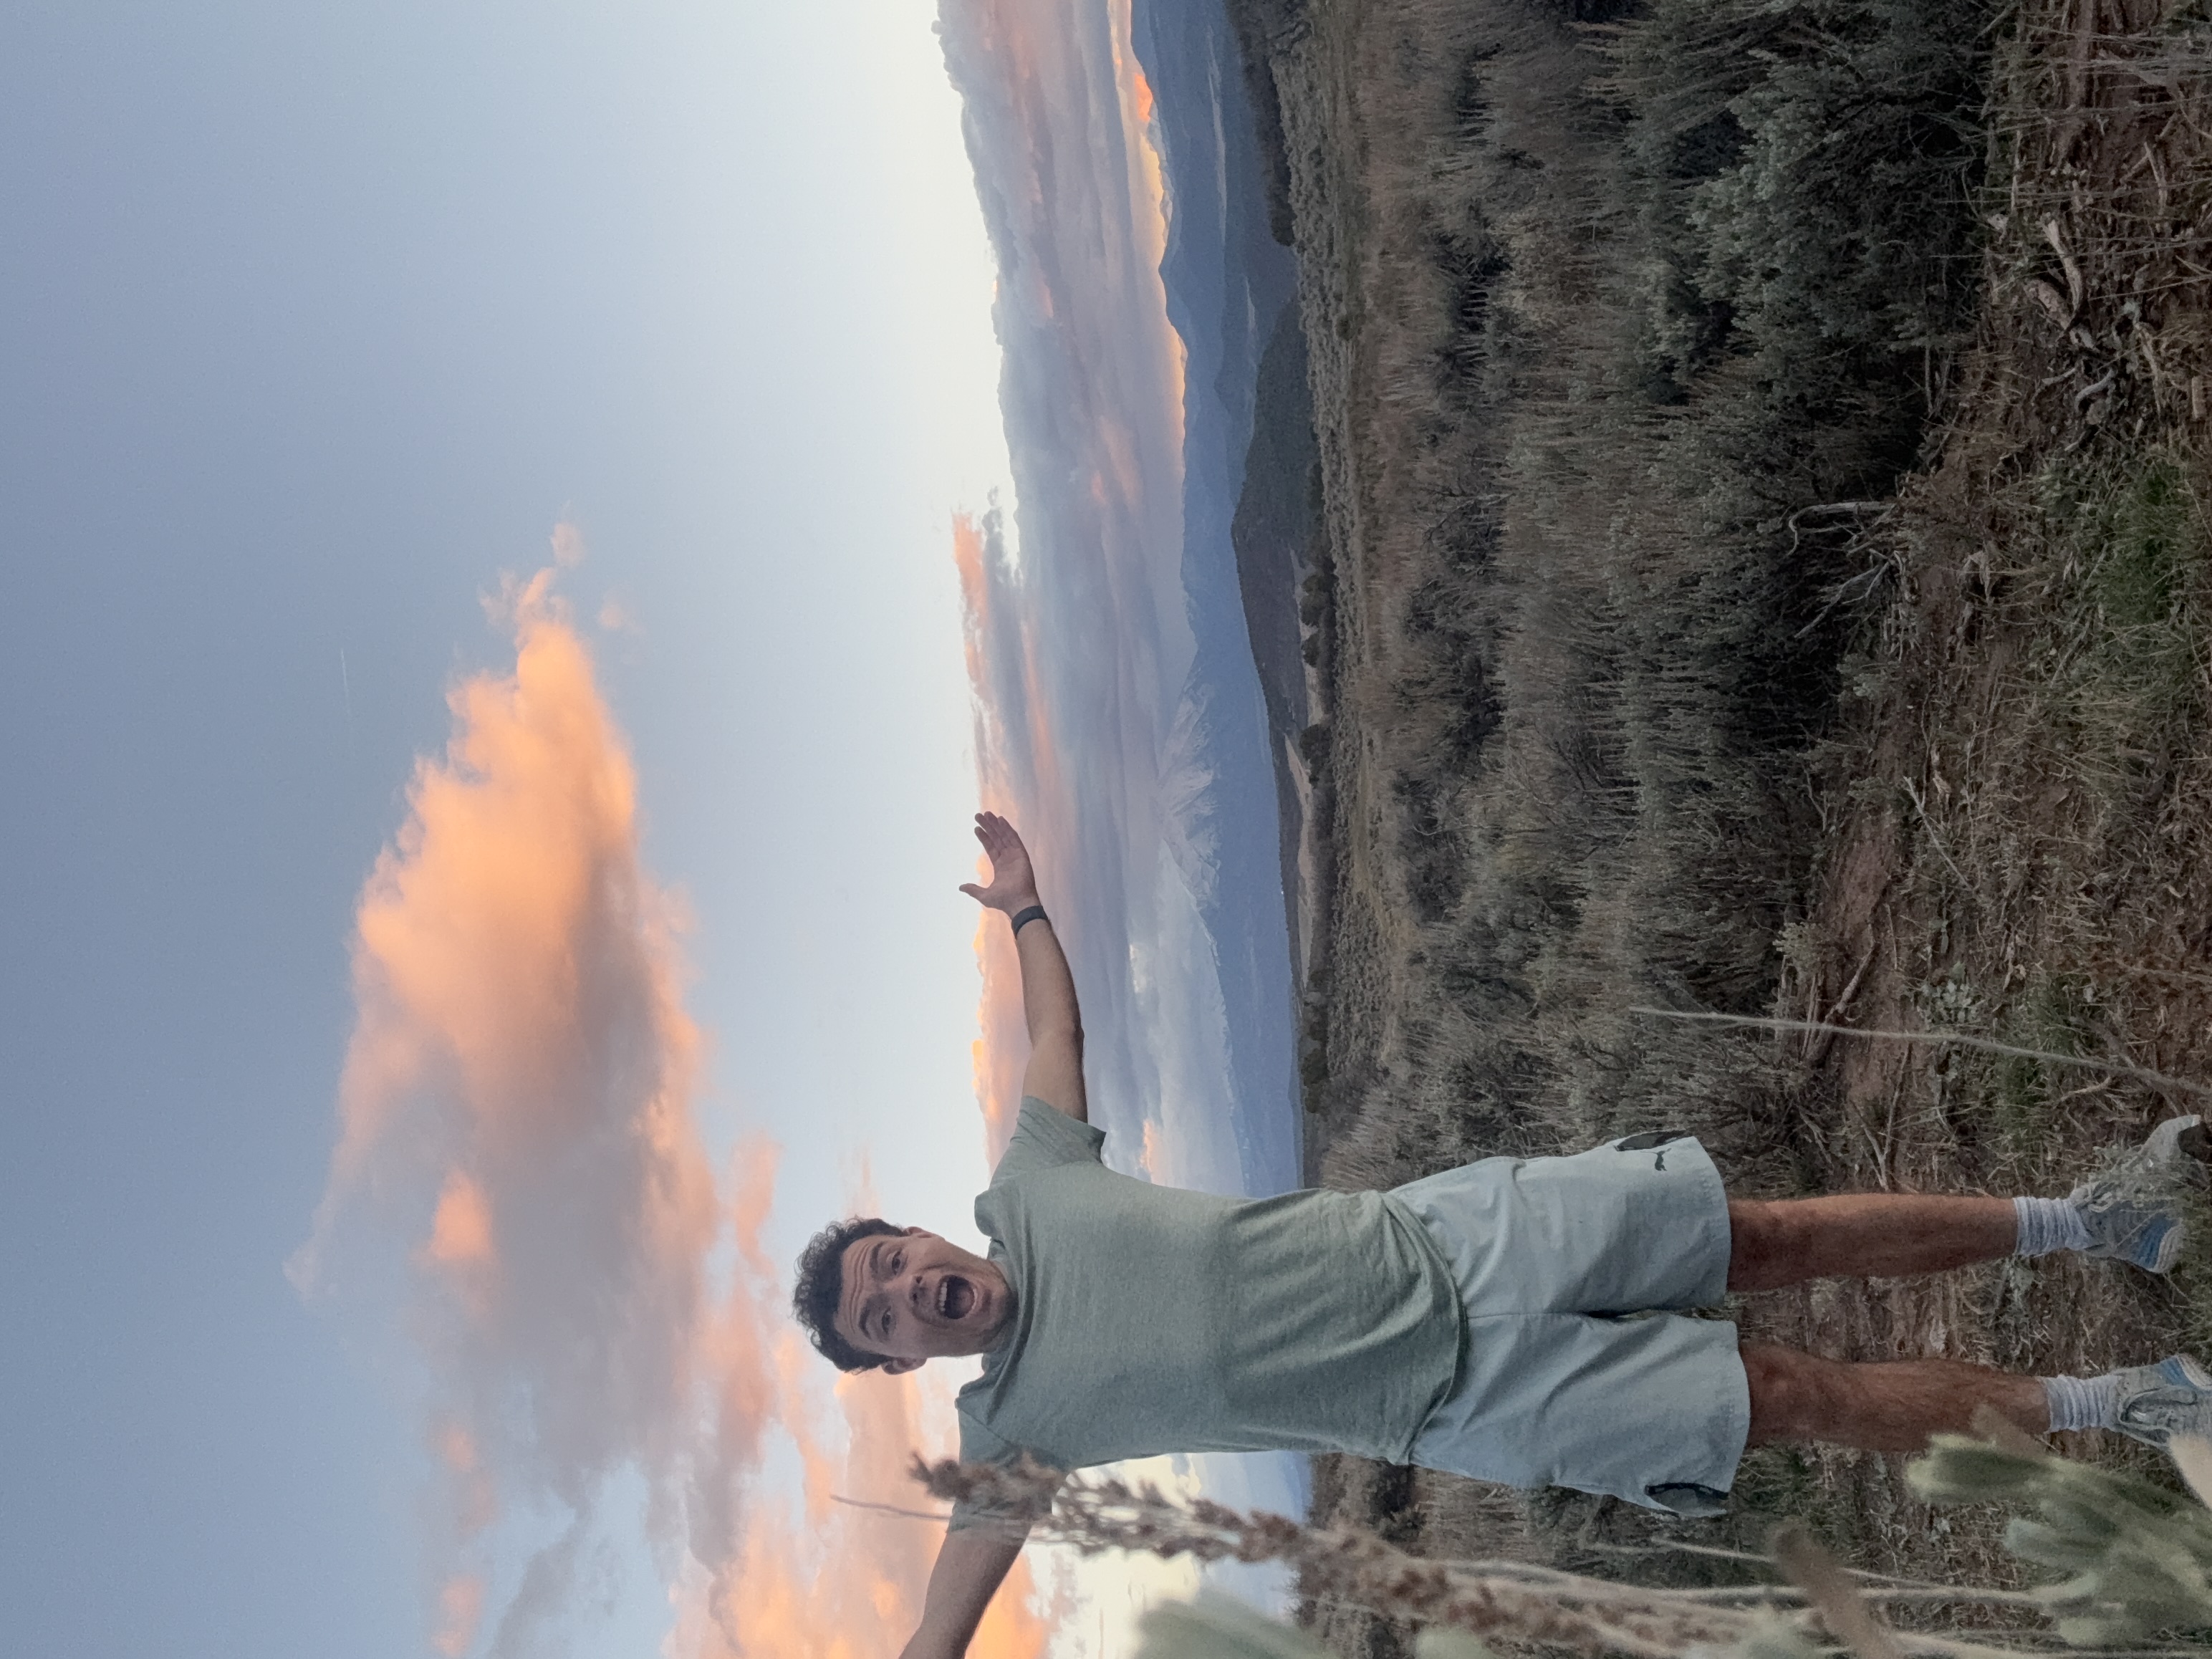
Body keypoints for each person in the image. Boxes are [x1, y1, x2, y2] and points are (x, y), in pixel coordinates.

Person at [794, 812, 2212, 1659]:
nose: (910, 1293)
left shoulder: (1031, 1181)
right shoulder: (1012, 1436)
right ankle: (2127, 1406)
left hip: (1461, 1239)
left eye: (891, 1266)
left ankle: (2093, 1218)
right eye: (884, 1320)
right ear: (900, 1362)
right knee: (1790, 1397)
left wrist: (1027, 901)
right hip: (1466, 1403)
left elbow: (1058, 1032)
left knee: (1758, 1237)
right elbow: (939, 1631)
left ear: (923, 1232)